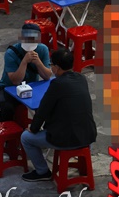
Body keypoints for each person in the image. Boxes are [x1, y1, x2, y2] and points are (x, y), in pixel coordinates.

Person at [20, 48, 97, 181]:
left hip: (66, 140)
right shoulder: (81, 78)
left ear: (56, 67)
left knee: (26, 138)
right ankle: (83, 167)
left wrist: (33, 129)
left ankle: (42, 171)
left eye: (51, 65)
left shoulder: (57, 84)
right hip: (88, 136)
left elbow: (43, 110)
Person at [0, 23, 52, 122]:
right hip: (9, 87)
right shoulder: (11, 53)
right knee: (7, 109)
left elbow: (47, 76)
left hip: (32, 86)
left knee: (47, 105)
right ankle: (7, 131)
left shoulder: (43, 49)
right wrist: (24, 62)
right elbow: (15, 81)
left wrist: (38, 62)